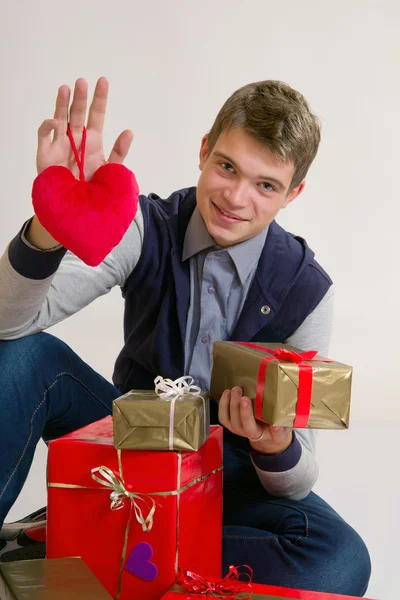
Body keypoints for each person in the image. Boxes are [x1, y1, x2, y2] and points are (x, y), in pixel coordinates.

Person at [0, 78, 371, 595]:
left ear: (293, 194)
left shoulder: (306, 289)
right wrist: (51, 222)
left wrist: (274, 443)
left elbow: (297, 480)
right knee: (21, 356)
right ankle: (122, 544)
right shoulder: (144, 226)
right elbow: (8, 324)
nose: (236, 197)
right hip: (128, 442)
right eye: (227, 167)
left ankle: (84, 536)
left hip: (227, 482)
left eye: (266, 185)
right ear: (203, 151)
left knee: (339, 562)